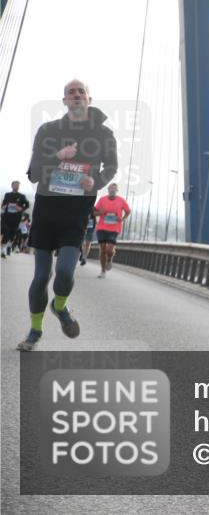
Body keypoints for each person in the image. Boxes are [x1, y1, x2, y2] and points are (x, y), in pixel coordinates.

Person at [16, 79, 118, 351]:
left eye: (80, 91)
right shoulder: (48, 130)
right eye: (70, 92)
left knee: (64, 273)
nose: (75, 96)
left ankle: (59, 306)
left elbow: (111, 168)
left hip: (76, 214)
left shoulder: (104, 135)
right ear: (64, 101)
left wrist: (95, 182)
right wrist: (57, 155)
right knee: (40, 277)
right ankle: (34, 332)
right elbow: (34, 173)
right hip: (47, 211)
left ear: (89, 99)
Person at [93, 183, 130, 278]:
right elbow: (94, 212)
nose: (112, 191)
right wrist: (100, 212)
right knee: (102, 250)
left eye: (114, 189)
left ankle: (109, 259)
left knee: (109, 250)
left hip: (115, 228)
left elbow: (128, 211)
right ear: (108, 190)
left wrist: (122, 218)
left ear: (117, 191)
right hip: (101, 227)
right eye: (111, 189)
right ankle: (103, 271)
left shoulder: (121, 200)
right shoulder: (102, 200)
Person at [1, 180, 30, 257]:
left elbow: (27, 205)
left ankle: (8, 246)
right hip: (6, 217)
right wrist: (4, 206)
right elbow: (3, 205)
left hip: (16, 218)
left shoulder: (22, 196)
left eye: (18, 185)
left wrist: (21, 208)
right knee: (6, 231)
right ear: (12, 186)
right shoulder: (7, 195)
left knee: (12, 234)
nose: (16, 186)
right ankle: (3, 250)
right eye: (15, 185)